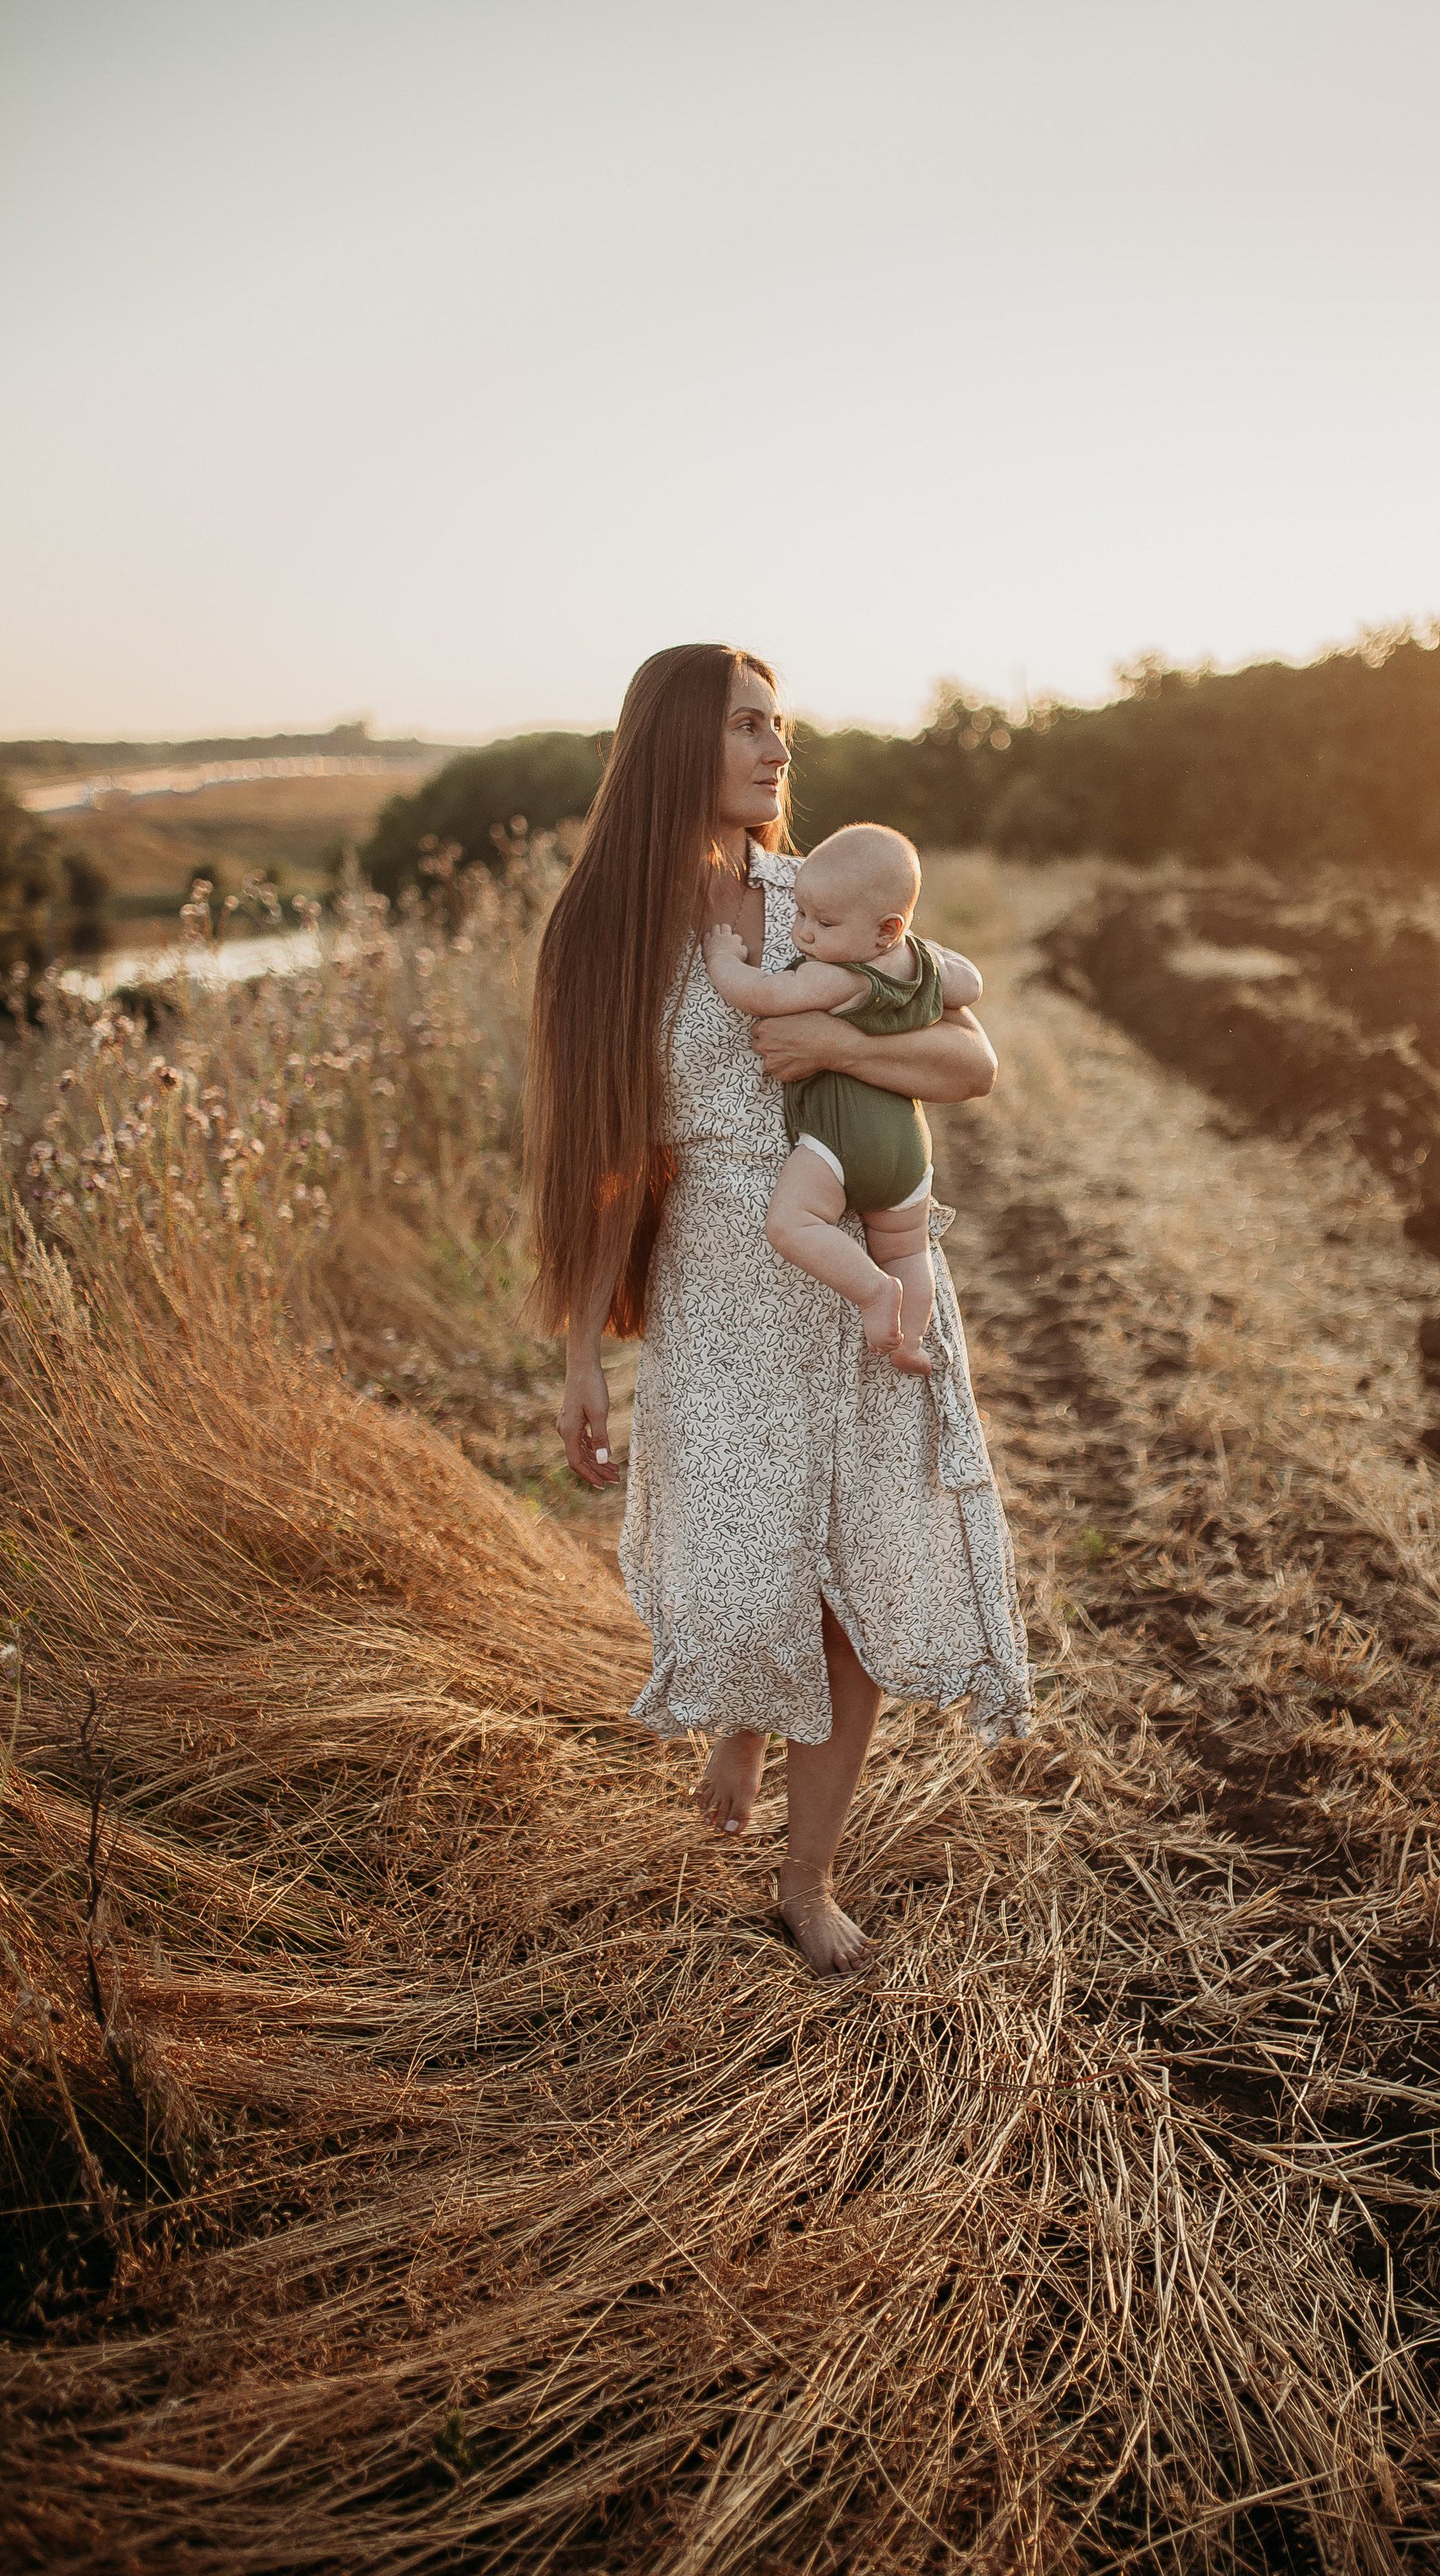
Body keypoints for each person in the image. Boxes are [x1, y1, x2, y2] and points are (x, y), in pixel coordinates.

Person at [527, 645, 1031, 1976]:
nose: (775, 747)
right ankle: (743, 1715)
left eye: (781, 724)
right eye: (747, 725)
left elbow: (971, 1059)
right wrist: (583, 1352)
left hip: (862, 1271)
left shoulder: (823, 897)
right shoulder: (607, 932)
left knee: (857, 1580)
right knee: (754, 1564)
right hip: (723, 1288)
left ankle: (806, 1884)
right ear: (677, 746)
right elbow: (599, 1160)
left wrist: (837, 1049)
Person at [699, 821, 986, 1378]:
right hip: (908, 1153)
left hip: (842, 1142)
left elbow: (761, 994)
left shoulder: (838, 977)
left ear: (885, 929)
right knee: (909, 1251)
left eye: (822, 922)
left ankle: (874, 1293)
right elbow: (970, 984)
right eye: (801, 915)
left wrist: (722, 960)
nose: (803, 934)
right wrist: (925, 951)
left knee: (792, 1224)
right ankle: (911, 1340)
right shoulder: (922, 964)